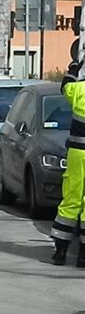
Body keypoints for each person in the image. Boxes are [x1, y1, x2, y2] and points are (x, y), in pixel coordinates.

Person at [50, 59, 85, 267]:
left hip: (77, 154)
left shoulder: (79, 90)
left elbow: (65, 84)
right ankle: (82, 256)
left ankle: (60, 252)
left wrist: (75, 65)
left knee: (71, 199)